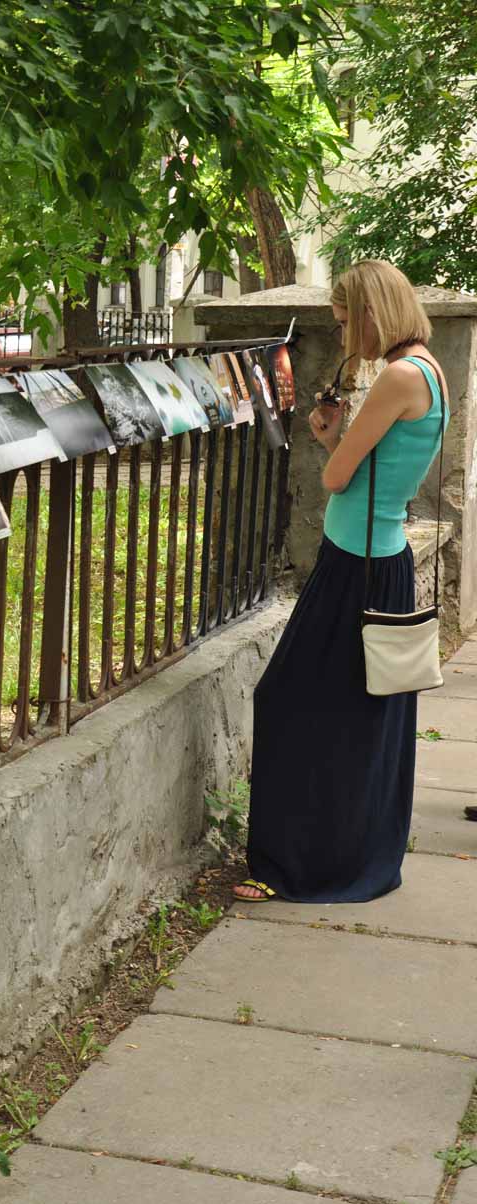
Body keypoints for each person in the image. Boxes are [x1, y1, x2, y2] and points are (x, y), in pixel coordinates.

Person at [234, 260, 450, 903]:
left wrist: (330, 438)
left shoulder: (398, 376)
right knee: (359, 716)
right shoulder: (429, 370)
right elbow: (362, 471)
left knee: (292, 704)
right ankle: (352, 857)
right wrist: (338, 441)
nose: (343, 334)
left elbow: (336, 480)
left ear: (370, 314)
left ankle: (302, 867)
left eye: (343, 320)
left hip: (355, 563)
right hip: (374, 558)